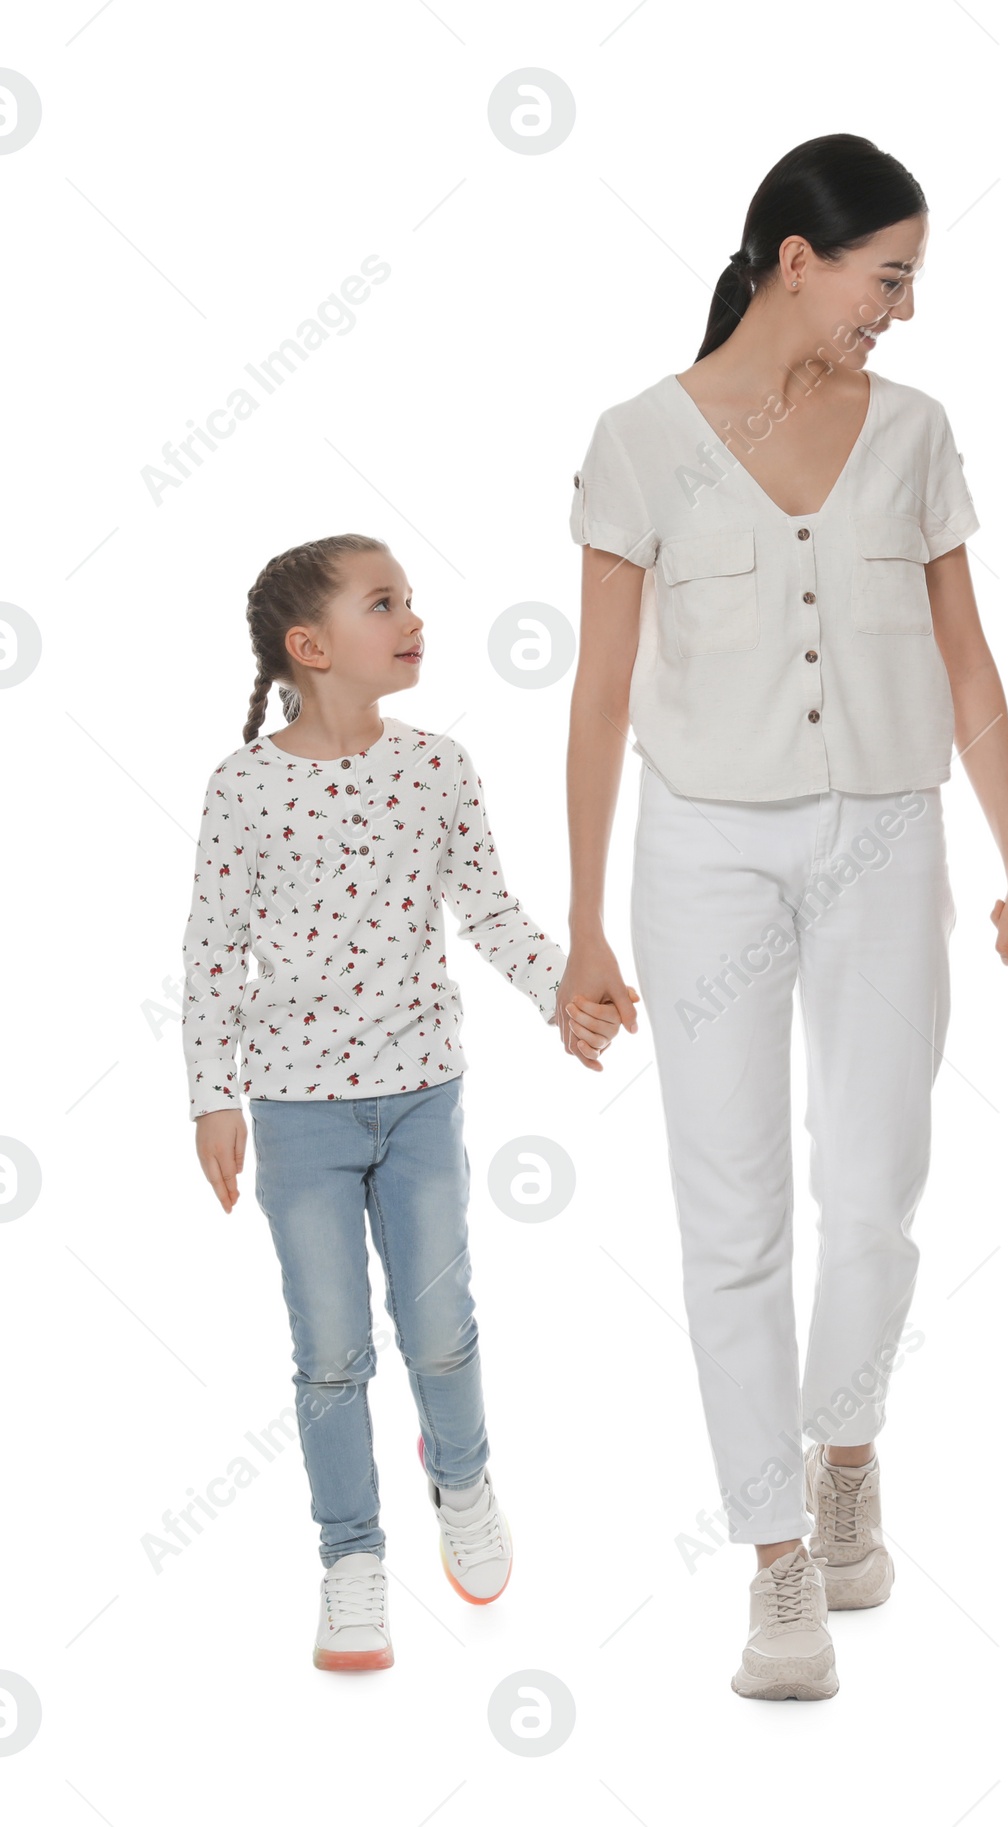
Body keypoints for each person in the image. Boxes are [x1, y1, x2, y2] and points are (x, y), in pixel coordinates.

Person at [560, 134, 1008, 1699]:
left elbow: (970, 667)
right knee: (729, 1217)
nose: (901, 310)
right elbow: (597, 696)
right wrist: (583, 924)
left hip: (887, 834)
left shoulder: (914, 432)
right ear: (795, 257)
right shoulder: (639, 440)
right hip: (701, 849)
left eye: (911, 280)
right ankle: (776, 1559)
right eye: (886, 276)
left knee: (878, 1186)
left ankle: (847, 1452)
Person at [181, 533, 623, 1671]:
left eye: (411, 600)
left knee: (440, 1327)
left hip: (422, 1099)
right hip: (295, 1115)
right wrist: (211, 1098)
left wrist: (560, 990)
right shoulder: (242, 790)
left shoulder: (436, 767)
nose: (414, 619)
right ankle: (352, 1563)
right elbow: (212, 954)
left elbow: (487, 912)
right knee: (330, 1349)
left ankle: (463, 1480)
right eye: (386, 604)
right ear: (311, 647)